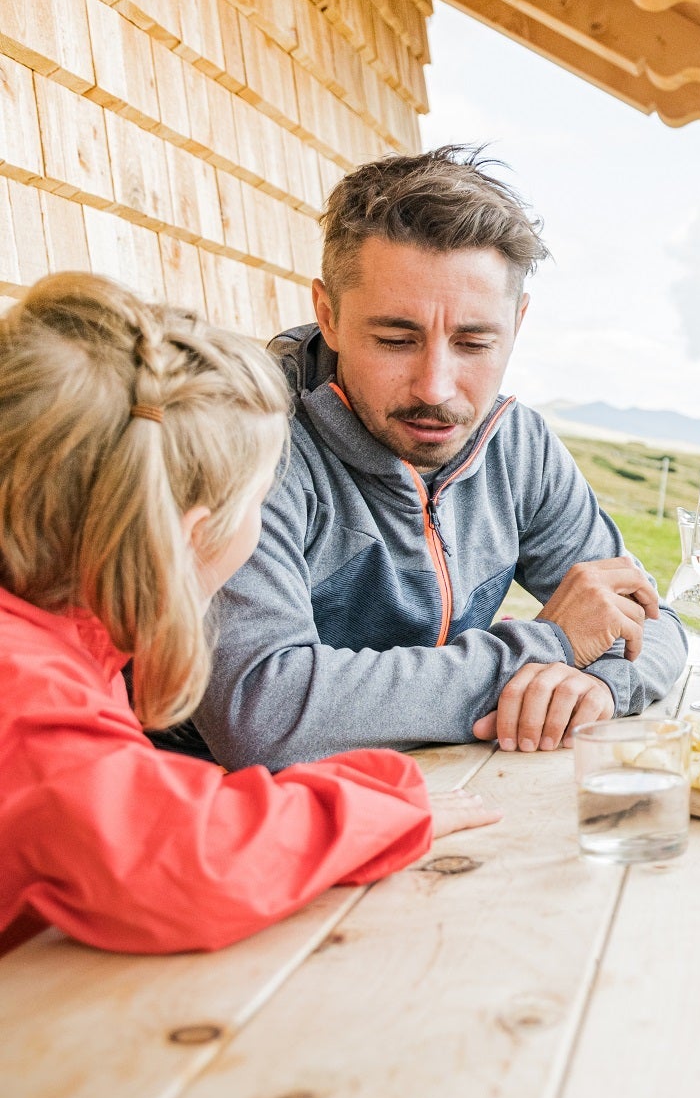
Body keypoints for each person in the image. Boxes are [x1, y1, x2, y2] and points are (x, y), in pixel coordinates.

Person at [0, 274, 500, 956]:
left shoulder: (54, 646)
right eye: (260, 505)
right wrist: (386, 803)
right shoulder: (26, 694)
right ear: (189, 534)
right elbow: (184, 861)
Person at [189, 146, 687, 770]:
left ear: (518, 323)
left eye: (474, 342)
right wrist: (549, 648)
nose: (437, 387)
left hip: (434, 808)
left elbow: (650, 619)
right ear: (329, 315)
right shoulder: (248, 439)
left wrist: (601, 687)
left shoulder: (519, 447)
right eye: (396, 340)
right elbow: (264, 710)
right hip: (235, 829)